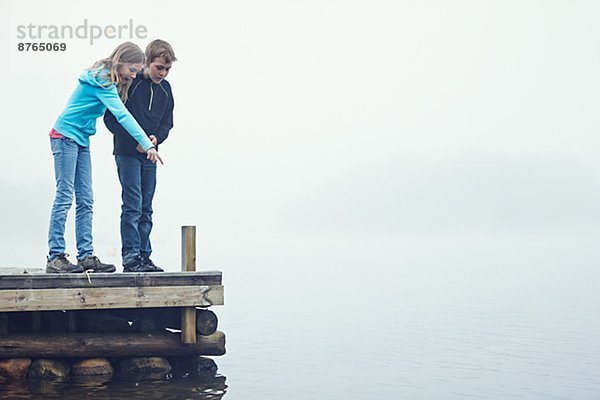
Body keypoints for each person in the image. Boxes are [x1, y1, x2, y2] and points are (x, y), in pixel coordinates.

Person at [47, 42, 163, 274]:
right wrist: (147, 144)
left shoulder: (112, 81)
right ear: (120, 62)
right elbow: (122, 115)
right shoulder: (101, 81)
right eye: (132, 70)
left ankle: (86, 256)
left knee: (86, 199)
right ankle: (55, 256)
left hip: (80, 139)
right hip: (64, 136)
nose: (134, 75)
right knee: (65, 195)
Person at [104, 39, 176, 272]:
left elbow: (167, 123)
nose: (163, 73)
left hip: (150, 157)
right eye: (159, 68)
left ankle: (145, 256)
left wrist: (156, 139)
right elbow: (111, 119)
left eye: (167, 69)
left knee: (147, 207)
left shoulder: (166, 90)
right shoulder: (131, 83)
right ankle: (131, 256)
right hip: (127, 153)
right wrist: (135, 142)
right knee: (133, 205)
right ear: (146, 62)